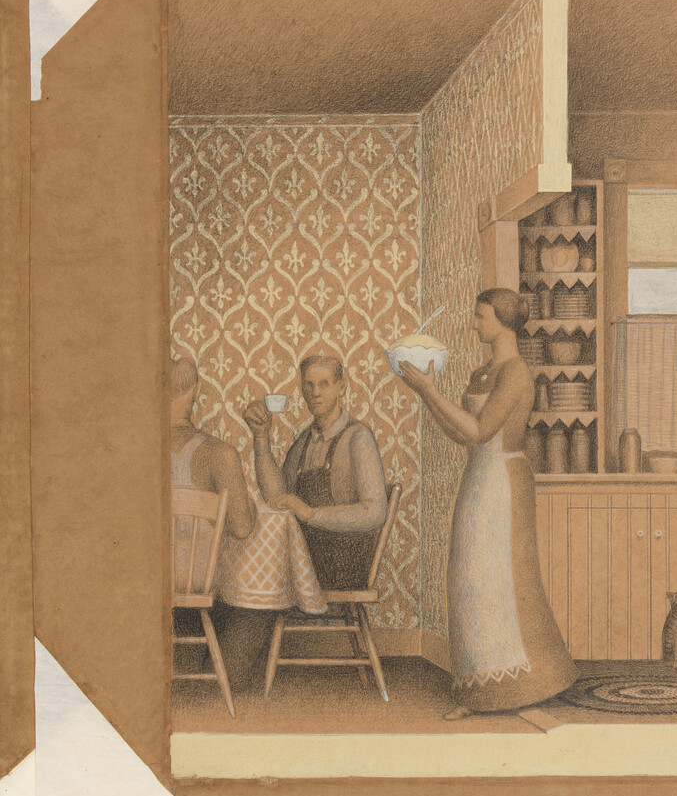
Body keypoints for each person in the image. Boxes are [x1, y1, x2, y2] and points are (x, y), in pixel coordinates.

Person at [397, 288, 578, 718]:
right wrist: (427, 393)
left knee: (497, 580)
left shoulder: (516, 373)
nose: (475, 324)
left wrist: (427, 389)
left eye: (481, 317)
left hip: (501, 480)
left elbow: (479, 432)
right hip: (477, 478)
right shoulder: (482, 372)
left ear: (502, 321)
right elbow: (461, 433)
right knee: (469, 579)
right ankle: (478, 690)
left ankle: (519, 684)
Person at [243, 354, 389, 592]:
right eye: (309, 385)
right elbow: (277, 496)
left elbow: (375, 512)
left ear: (341, 387)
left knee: (259, 571)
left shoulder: (358, 437)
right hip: (308, 556)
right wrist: (261, 437)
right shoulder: (304, 442)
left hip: (344, 562)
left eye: (324, 384)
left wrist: (310, 513)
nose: (315, 393)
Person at [170, 356, 257, 571]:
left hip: (146, 584)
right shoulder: (220, 453)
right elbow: (242, 528)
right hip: (196, 578)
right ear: (196, 391)